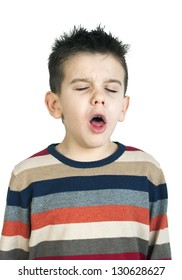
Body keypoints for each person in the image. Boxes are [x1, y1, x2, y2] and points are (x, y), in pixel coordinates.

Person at [0, 26, 171, 260]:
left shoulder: (147, 172)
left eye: (111, 89)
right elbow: (10, 265)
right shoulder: (27, 176)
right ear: (54, 104)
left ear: (123, 106)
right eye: (82, 87)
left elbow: (160, 262)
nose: (99, 97)